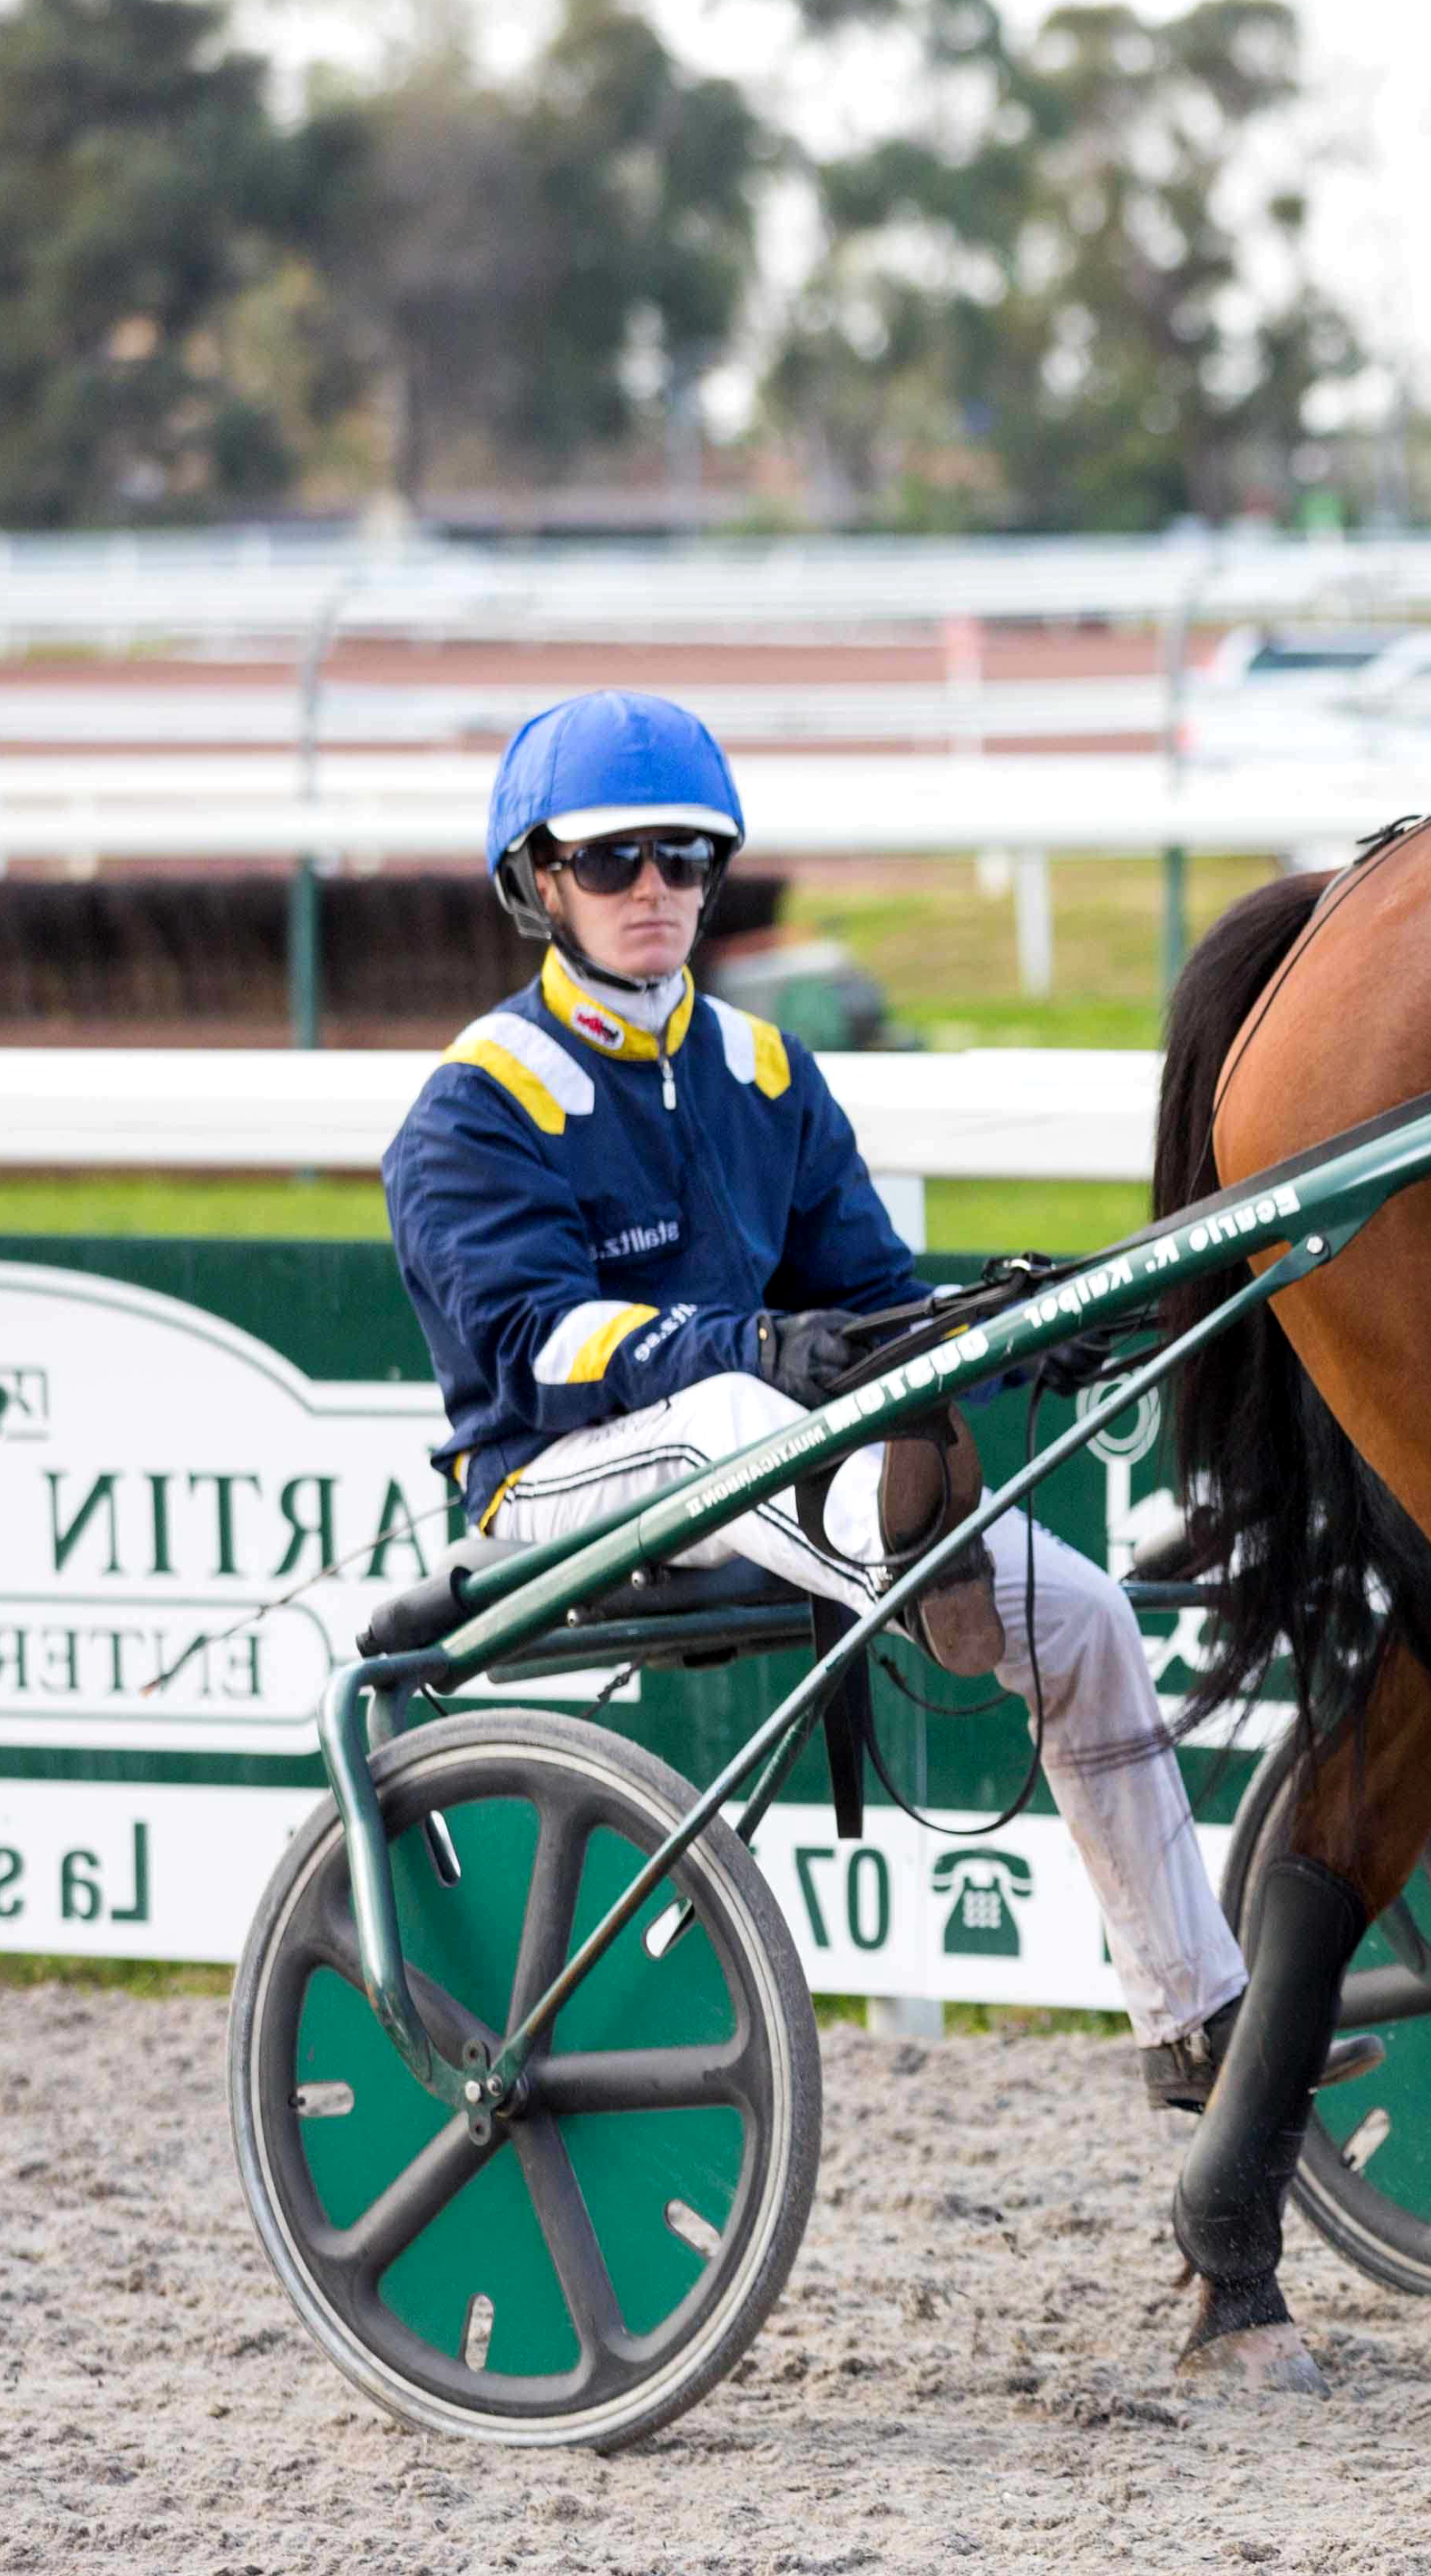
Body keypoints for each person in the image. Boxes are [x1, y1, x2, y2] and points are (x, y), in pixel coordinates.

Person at [382, 691, 1254, 2104]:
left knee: (1086, 1612)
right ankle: (923, 1545)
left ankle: (1198, 2020)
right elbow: (536, 1345)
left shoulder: (764, 1070)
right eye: (613, 862)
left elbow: (866, 1298)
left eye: (684, 858)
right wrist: (756, 1353)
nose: (654, 890)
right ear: (541, 880)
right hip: (552, 1488)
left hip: (775, 1483)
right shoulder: (476, 1106)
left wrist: (1009, 1336)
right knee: (740, 1415)